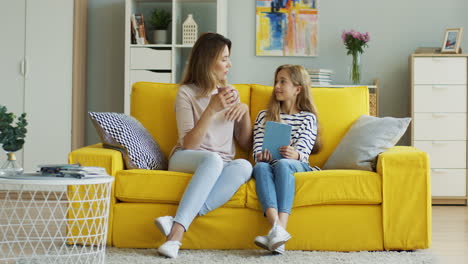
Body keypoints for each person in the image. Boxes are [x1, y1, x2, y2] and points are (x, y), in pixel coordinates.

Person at [154, 33, 253, 258]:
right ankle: (177, 237)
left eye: (229, 58)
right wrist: (211, 109)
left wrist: (245, 112)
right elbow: (189, 144)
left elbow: (245, 142)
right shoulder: (186, 93)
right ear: (209, 61)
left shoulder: (231, 93)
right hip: (187, 157)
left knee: (245, 166)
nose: (230, 64)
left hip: (222, 162)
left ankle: (175, 223)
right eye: (224, 59)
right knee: (213, 159)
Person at [252, 64, 321, 254]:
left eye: (283, 82)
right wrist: (261, 156)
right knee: (260, 168)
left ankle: (278, 231)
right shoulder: (264, 117)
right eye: (276, 81)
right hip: (270, 165)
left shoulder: (308, 118)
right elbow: (256, 149)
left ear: (298, 89)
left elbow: (304, 153)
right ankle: (278, 233)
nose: (277, 86)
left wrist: (295, 154)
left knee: (283, 164)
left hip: (296, 166)